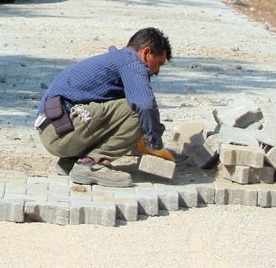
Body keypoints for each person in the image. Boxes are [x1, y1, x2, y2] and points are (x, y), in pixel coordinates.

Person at [35, 27, 175, 188]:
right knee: (137, 111)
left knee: (130, 106)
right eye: (159, 63)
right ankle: (91, 165)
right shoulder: (132, 63)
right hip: (60, 134)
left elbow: (114, 120)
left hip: (54, 130)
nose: (157, 72)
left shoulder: (117, 60)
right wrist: (155, 142)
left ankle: (71, 161)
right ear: (146, 53)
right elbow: (145, 106)